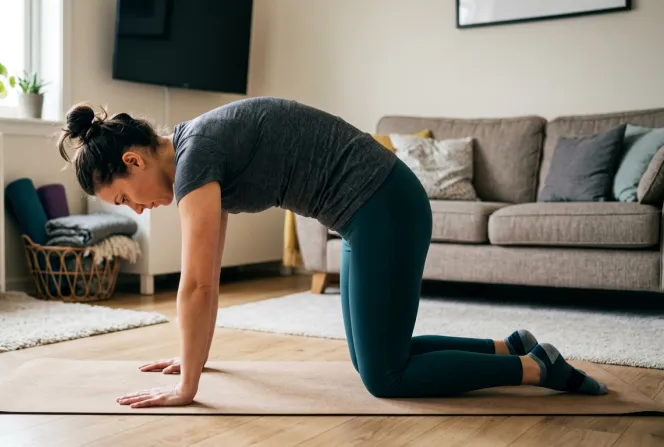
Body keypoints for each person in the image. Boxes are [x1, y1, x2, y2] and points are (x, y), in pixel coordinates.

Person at [56, 96, 607, 408]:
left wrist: (187, 388)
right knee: (378, 354)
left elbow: (195, 285)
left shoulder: (197, 156)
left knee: (384, 377)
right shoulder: (196, 154)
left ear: (133, 161)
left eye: (125, 198)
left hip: (383, 207)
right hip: (371, 209)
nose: (136, 210)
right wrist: (193, 358)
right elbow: (210, 275)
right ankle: (508, 345)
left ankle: (534, 368)